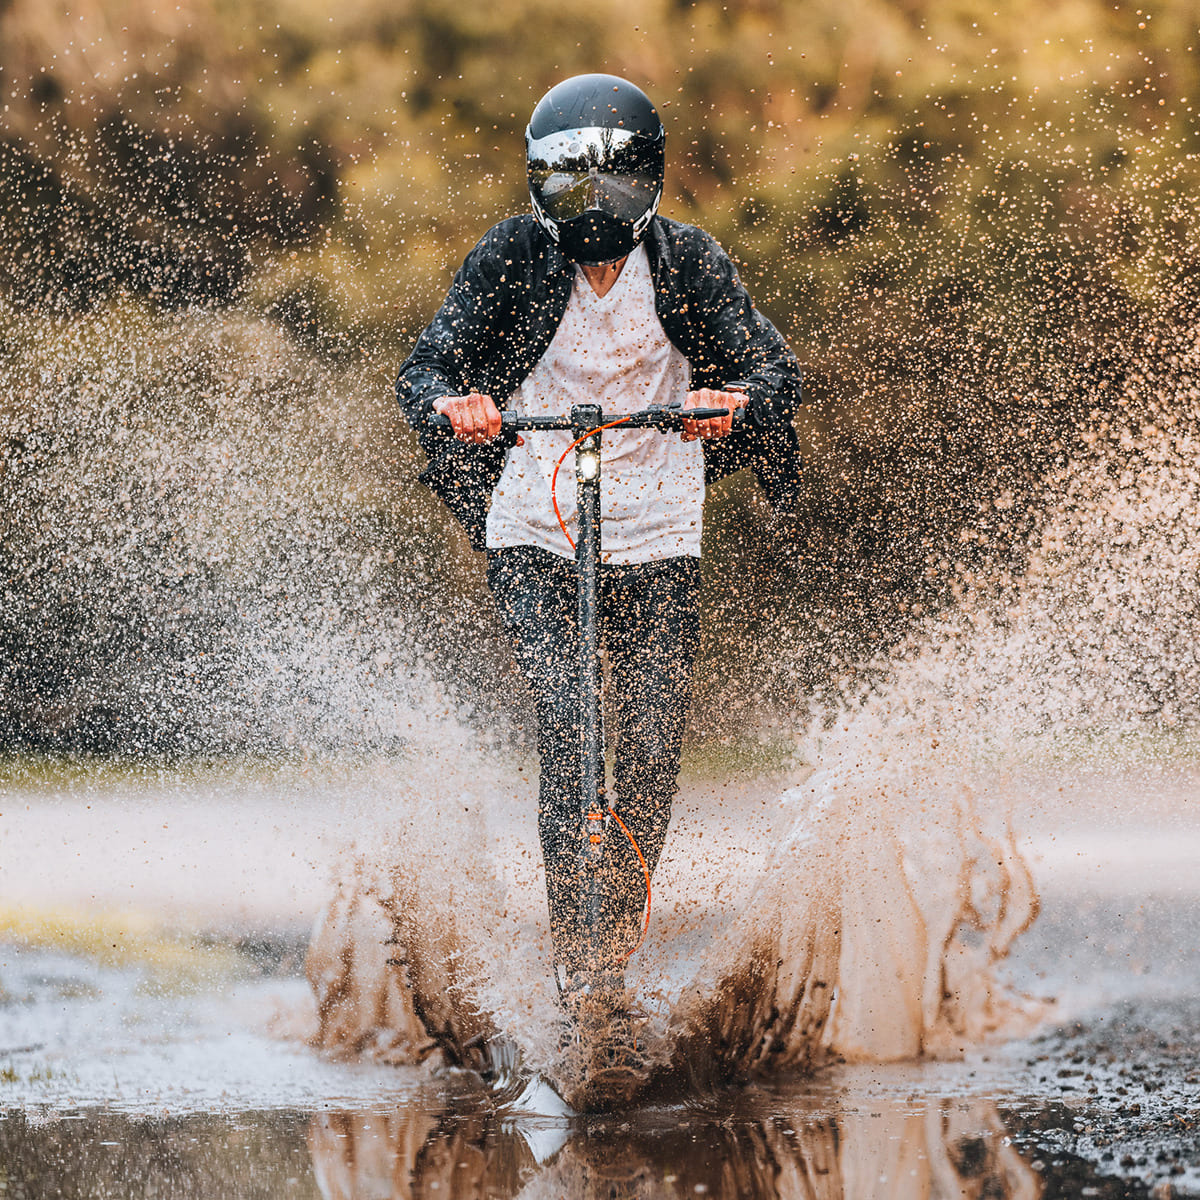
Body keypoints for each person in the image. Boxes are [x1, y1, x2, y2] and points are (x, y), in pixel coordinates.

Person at [397, 74, 803, 1020]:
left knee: (654, 739)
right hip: (536, 519)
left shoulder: (690, 260)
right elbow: (426, 367)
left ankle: (615, 954)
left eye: (610, 177)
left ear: (647, 180)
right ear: (539, 184)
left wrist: (730, 401)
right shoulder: (510, 255)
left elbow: (775, 370)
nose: (591, 198)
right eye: (566, 178)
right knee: (570, 714)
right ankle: (573, 969)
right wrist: (454, 406)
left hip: (660, 521)